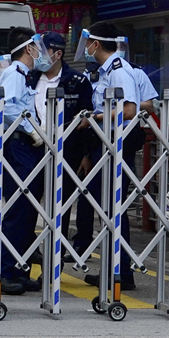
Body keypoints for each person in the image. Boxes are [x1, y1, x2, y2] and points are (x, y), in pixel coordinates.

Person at [78, 22, 148, 290]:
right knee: (105, 209)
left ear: (96, 44)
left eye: (88, 43)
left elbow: (128, 110)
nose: (85, 48)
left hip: (117, 147)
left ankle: (121, 274)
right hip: (103, 144)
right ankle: (112, 269)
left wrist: (94, 118)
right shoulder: (105, 71)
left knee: (113, 210)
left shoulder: (120, 72)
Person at [34, 32, 98, 251]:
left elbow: (88, 120)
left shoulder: (78, 82)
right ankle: (23, 262)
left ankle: (54, 264)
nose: (37, 56)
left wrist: (86, 155)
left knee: (59, 210)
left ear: (57, 54)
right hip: (32, 152)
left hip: (67, 154)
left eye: (42, 51)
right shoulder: (29, 78)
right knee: (27, 206)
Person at [0, 30, 48, 294]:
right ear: (28, 49)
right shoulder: (15, 74)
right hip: (19, 146)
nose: (41, 52)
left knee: (28, 212)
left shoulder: (22, 75)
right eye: (37, 47)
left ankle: (20, 268)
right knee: (18, 211)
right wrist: (30, 129)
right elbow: (8, 107)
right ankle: (6, 272)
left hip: (27, 146)